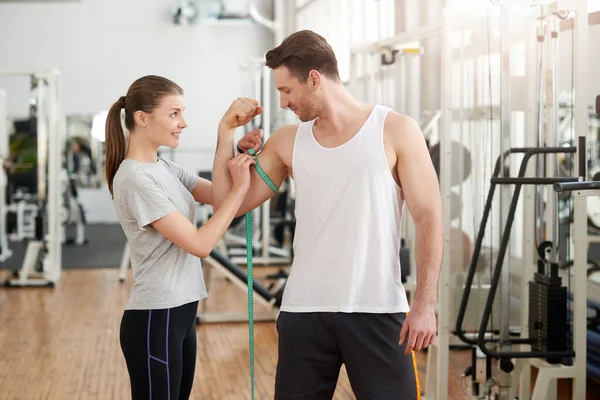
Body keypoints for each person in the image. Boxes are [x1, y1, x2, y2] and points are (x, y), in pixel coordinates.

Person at [212, 31, 443, 399]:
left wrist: (425, 304)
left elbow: (429, 216)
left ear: (315, 80)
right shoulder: (288, 141)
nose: (284, 102)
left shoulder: (395, 130)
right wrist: (226, 135)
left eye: (287, 90)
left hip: (377, 308)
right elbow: (227, 206)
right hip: (305, 310)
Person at [105, 75, 256, 399]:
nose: (183, 123)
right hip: (155, 319)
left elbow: (219, 196)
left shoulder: (166, 169)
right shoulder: (135, 179)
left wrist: (227, 136)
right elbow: (200, 244)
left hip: (183, 311)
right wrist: (240, 186)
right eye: (174, 113)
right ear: (142, 119)